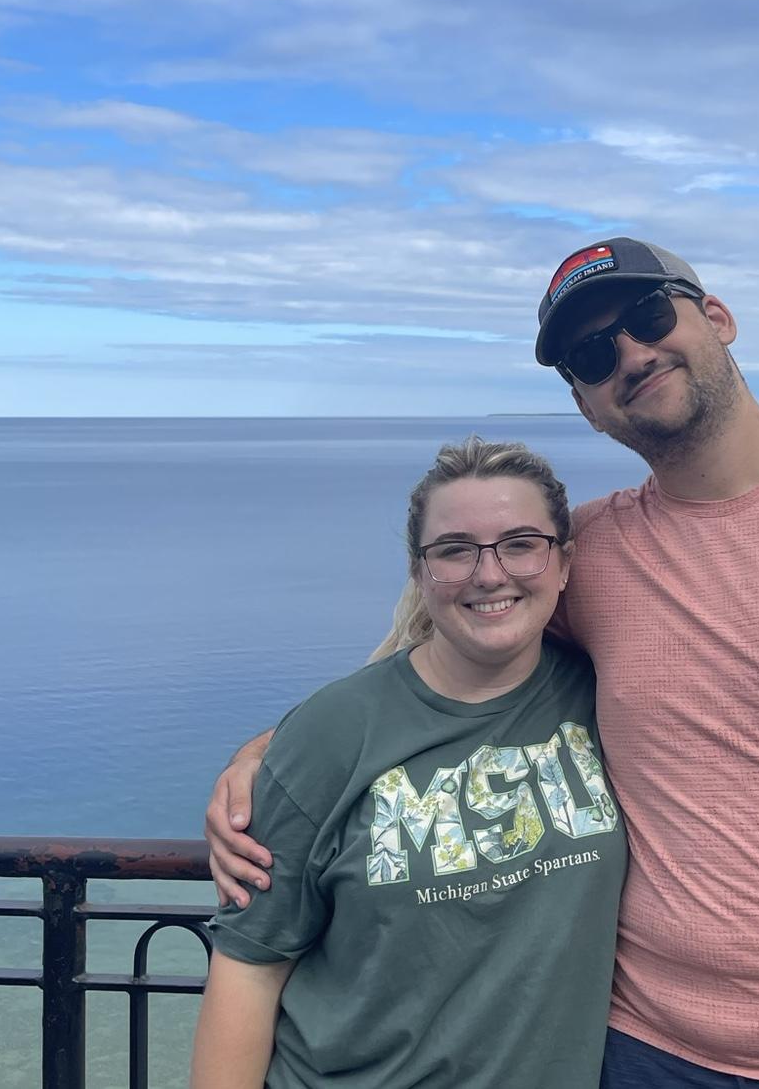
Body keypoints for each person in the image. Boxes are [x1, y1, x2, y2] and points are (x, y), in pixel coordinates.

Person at [207, 239, 759, 1089]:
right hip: (647, 1052)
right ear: (587, 407)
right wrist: (275, 754)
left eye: (648, 316)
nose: (630, 354)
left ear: (717, 319)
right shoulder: (593, 553)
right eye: (592, 354)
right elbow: (438, 656)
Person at [191, 437, 626, 1089]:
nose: (489, 573)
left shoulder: (606, 699)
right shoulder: (333, 732)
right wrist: (259, 755)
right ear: (420, 573)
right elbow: (250, 966)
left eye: (520, 543)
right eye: (454, 550)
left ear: (563, 563)